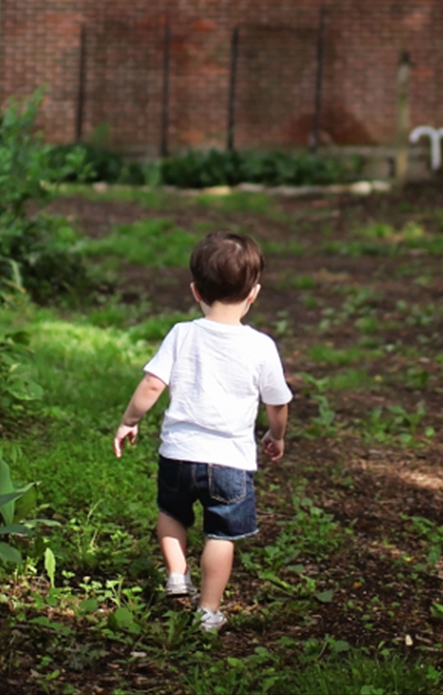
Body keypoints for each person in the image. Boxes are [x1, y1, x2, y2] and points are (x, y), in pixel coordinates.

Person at [113, 231, 292, 634]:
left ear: (196, 290)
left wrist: (129, 421)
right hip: (229, 461)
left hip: (178, 454)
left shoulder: (182, 333)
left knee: (171, 514)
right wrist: (276, 435)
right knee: (221, 534)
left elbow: (151, 386)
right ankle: (208, 611)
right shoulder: (261, 346)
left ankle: (177, 574)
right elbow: (277, 403)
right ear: (254, 294)